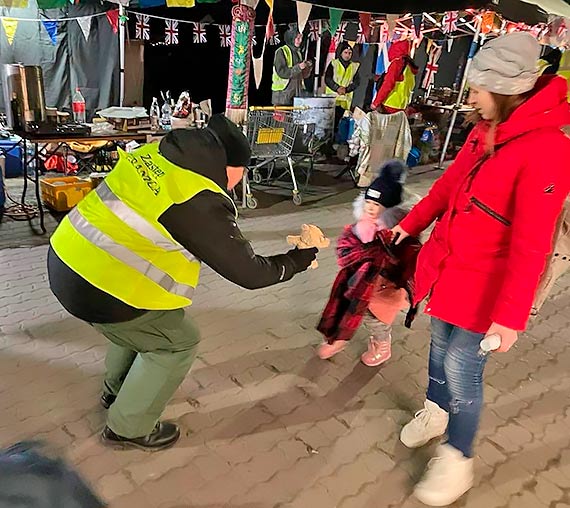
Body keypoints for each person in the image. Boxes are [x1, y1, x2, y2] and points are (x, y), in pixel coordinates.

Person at [47, 115, 318, 452]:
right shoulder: (196, 199)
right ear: (229, 166)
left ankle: (116, 390)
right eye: (242, 172)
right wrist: (298, 259)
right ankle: (127, 428)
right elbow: (250, 273)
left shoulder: (157, 153)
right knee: (177, 342)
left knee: (141, 325)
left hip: (66, 257)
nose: (240, 180)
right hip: (98, 287)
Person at [390, 32, 570, 506]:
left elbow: (532, 244)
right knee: (437, 347)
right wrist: (408, 226)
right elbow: (447, 188)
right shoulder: (484, 129)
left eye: (477, 88)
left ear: (505, 88)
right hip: (450, 266)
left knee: (461, 366)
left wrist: (511, 316)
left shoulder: (548, 148)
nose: (470, 97)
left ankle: (458, 457)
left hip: (491, 287)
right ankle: (435, 412)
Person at [316, 160, 421, 366]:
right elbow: (349, 246)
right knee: (348, 308)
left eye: (377, 205)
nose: (371, 208)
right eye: (369, 203)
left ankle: (382, 345)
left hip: (386, 287)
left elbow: (407, 262)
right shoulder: (363, 224)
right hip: (360, 282)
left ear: (390, 209)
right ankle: (338, 337)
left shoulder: (400, 234)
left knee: (376, 319)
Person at [370, 39, 418, 113]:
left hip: (389, 105)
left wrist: (376, 103)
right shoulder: (410, 67)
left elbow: (388, 84)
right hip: (402, 107)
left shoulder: (397, 64)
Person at [272, 25, 312, 106]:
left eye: (301, 38)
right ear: (291, 38)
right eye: (298, 38)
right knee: (283, 118)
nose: (300, 41)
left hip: (296, 94)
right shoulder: (281, 51)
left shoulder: (298, 53)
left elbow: (302, 75)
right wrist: (299, 67)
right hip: (282, 95)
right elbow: (282, 72)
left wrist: (307, 67)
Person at [325, 41, 361, 126]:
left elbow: (357, 82)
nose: (347, 55)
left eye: (350, 53)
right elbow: (328, 79)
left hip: (345, 100)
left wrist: (346, 89)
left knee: (340, 123)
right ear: (341, 53)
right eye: (345, 52)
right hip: (333, 99)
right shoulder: (334, 63)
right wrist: (337, 88)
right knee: (328, 122)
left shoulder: (354, 66)